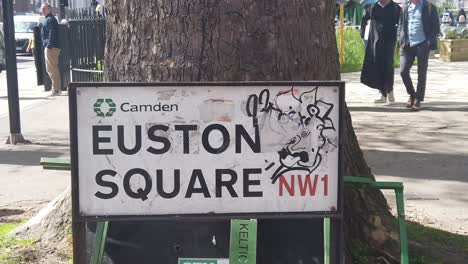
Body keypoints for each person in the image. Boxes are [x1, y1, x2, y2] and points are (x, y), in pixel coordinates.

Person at [398, 0, 440, 111]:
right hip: (407, 44)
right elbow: (401, 24)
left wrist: (428, 41)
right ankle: (412, 94)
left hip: (422, 44)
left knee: (421, 73)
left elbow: (436, 27)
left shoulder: (429, 7)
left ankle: (418, 99)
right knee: (403, 71)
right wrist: (400, 38)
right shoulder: (405, 6)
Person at [360, 0, 401, 104]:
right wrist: (362, 34)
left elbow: (402, 23)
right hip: (375, 40)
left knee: (388, 65)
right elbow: (364, 20)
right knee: (378, 65)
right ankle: (382, 93)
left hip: (390, 41)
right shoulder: (373, 7)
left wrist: (400, 38)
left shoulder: (396, 8)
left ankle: (390, 90)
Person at [40, 3, 61, 96]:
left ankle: (56, 90)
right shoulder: (49, 19)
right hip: (51, 46)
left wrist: (49, 45)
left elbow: (52, 33)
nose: (42, 11)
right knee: (51, 68)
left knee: (52, 69)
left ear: (49, 9)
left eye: (44, 9)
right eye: (42, 9)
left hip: (51, 47)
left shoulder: (50, 19)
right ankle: (55, 89)